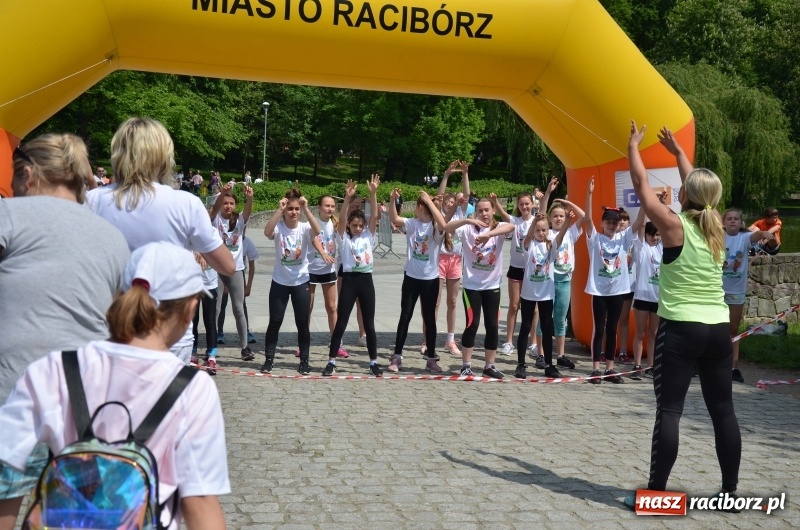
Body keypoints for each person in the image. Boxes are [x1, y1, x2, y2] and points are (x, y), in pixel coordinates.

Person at [0, 242, 230, 529]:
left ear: (120, 296)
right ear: (190, 310)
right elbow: (200, 505)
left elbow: (5, 457)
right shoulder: (193, 389)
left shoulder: (54, 368)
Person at [0, 134, 130, 530]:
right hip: (83, 407)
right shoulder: (112, 238)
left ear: (27, 174)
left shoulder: (8, 214)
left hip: (11, 395)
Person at [624, 121, 741, 507]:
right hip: (718, 330)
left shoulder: (674, 226)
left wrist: (634, 147)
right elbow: (700, 192)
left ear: (686, 194)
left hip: (680, 330)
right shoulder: (716, 227)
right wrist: (678, 153)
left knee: (670, 411)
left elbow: (641, 186)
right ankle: (729, 492)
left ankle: (655, 495)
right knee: (723, 411)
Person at [86, 116, 235, 364]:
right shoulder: (184, 203)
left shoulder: (92, 201)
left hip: (109, 326)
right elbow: (227, 266)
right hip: (168, 332)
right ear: (163, 155)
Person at [444, 197, 515, 379]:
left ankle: (489, 366)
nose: (484, 214)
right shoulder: (468, 228)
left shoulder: (498, 228)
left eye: (487, 210)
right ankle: (466, 366)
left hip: (492, 286)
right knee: (472, 324)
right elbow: (446, 227)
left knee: (492, 325)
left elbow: (511, 226)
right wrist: (467, 220)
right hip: (472, 287)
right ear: (475, 213)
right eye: (480, 211)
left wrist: (488, 235)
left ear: (493, 211)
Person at [261, 189, 326, 375]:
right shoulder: (279, 228)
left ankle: (304, 361)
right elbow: (267, 232)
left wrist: (306, 209)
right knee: (275, 321)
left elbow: (317, 230)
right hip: (280, 282)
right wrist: (279, 210)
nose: (294, 212)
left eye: (296, 209)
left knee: (302, 322)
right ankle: (269, 359)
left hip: (301, 281)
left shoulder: (304, 228)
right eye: (290, 209)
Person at [324, 176, 383, 377]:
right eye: (354, 225)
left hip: (366, 280)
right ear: (349, 225)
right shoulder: (343, 238)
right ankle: (331, 361)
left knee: (369, 323)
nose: (358, 228)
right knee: (341, 321)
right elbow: (340, 221)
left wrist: (373, 194)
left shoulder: (368, 235)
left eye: (360, 225)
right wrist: (347, 198)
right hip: (349, 280)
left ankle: (373, 362)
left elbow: (374, 217)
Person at [387, 188, 447, 372]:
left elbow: (444, 224)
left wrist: (429, 201)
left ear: (422, 207)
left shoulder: (436, 226)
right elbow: (394, 218)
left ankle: (431, 358)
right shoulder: (413, 223)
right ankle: (397, 356)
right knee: (405, 316)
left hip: (430, 279)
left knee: (429, 318)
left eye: (416, 206)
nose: (414, 209)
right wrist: (392, 200)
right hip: (411, 278)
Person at [496, 177, 556, 358]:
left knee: (534, 309)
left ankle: (534, 343)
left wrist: (548, 191)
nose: (524, 207)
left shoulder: (536, 221)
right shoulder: (514, 220)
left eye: (527, 204)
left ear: (532, 204)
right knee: (514, 306)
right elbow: (502, 214)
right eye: (521, 204)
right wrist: (495, 201)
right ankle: (509, 342)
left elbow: (543, 210)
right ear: (518, 206)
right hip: (516, 267)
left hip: (533, 271)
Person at [514, 206, 576, 379]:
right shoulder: (528, 245)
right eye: (538, 230)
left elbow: (561, 236)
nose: (541, 233)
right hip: (529, 293)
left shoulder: (551, 245)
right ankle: (521, 364)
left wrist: (568, 221)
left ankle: (549, 365)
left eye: (544, 230)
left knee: (548, 328)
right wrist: (535, 220)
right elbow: (527, 237)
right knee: (526, 326)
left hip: (546, 294)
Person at [584, 176, 634, 384]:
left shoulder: (623, 239)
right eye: (608, 222)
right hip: (599, 290)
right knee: (600, 329)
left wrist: (652, 202)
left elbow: (640, 221)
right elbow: (587, 219)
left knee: (613, 329)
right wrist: (589, 194)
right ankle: (596, 369)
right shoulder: (595, 239)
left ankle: (610, 369)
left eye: (615, 222)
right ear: (602, 223)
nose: (612, 225)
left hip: (618, 291)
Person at [423, 160, 471, 356]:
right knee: (434, 302)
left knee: (452, 301)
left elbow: (466, 195)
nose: (450, 204)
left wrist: (465, 174)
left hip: (455, 260)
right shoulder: (441, 214)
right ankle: (428, 340)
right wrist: (446, 175)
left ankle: (450, 340)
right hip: (439, 259)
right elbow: (440, 195)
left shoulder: (460, 213)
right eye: (447, 202)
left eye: (453, 202)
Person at [723, 208, 774, 383]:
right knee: (713, 328)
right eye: (729, 218)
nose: (732, 221)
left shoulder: (744, 237)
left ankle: (733, 367)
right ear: (724, 222)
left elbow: (756, 235)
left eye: (736, 219)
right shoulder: (718, 237)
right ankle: (707, 364)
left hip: (736, 291)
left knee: (733, 329)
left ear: (741, 222)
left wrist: (765, 233)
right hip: (717, 290)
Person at [533, 198, 585, 369]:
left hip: (565, 281)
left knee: (560, 319)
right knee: (545, 319)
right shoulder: (546, 234)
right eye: (555, 216)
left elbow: (584, 216)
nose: (558, 219)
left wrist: (566, 202)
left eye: (561, 216)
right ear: (550, 218)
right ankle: (540, 354)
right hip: (548, 281)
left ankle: (561, 355)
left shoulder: (571, 232)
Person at [209, 182, 255, 362]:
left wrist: (249, 197)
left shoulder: (239, 220)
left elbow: (248, 211)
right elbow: (214, 209)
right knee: (216, 308)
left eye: (231, 203)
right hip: (217, 268)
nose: (228, 206)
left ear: (235, 205)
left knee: (238, 308)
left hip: (236, 269)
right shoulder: (216, 219)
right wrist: (223, 193)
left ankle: (245, 347)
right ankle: (212, 346)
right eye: (225, 203)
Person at [308, 195, 350, 359]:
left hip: (328, 270)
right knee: (307, 308)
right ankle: (303, 344)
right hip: (310, 269)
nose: (330, 209)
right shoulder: (312, 223)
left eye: (332, 206)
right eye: (326, 205)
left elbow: (344, 219)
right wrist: (323, 253)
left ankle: (337, 343)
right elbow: (313, 239)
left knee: (332, 307)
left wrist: (347, 199)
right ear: (319, 207)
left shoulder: (335, 224)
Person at [629, 212, 661, 380]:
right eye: (652, 235)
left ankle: (651, 365)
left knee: (654, 333)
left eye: (657, 235)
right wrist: (646, 207)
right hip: (642, 297)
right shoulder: (641, 248)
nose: (655, 238)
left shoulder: (662, 248)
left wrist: (661, 206)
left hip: (658, 298)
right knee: (640, 333)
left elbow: (665, 223)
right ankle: (637, 365)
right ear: (646, 235)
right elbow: (641, 225)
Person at [192, 252, 219, 375]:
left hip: (210, 284)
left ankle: (212, 357)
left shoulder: (212, 238)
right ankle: (193, 353)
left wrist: (205, 254)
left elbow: (219, 251)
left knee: (210, 321)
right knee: (193, 320)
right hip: (193, 283)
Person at [616, 208, 636, 364]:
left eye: (625, 219)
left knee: (624, 318)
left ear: (629, 223)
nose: (622, 222)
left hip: (628, 285)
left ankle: (622, 351)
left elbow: (642, 223)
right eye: (619, 219)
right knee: (609, 320)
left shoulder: (634, 239)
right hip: (611, 285)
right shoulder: (608, 237)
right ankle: (603, 350)